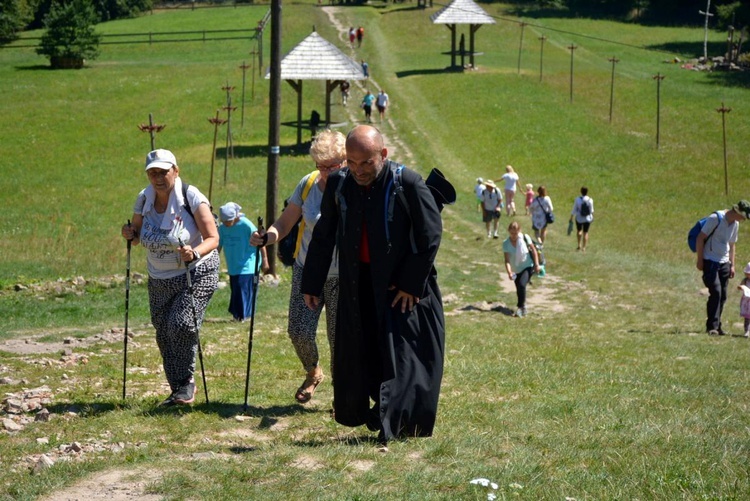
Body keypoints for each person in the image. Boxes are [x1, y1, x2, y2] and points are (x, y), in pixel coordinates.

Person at [301, 125, 445, 445]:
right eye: (351, 163)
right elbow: (325, 235)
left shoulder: (406, 183)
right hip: (359, 282)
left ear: (383, 154)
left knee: (400, 356)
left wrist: (411, 284)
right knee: (364, 350)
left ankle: (398, 425)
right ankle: (371, 413)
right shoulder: (339, 184)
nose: (358, 170)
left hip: (402, 287)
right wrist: (312, 281)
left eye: (365, 162)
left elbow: (430, 235)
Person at [249, 130, 345, 404]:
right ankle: (313, 372)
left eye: (332, 166)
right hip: (307, 270)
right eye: (320, 165)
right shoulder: (309, 183)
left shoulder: (354, 186)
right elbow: (285, 222)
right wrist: (267, 237)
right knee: (299, 331)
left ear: (346, 160)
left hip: (343, 275)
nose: (325, 172)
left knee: (340, 341)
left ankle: (343, 397)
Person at [120, 149, 219, 406]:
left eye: (163, 172)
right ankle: (179, 390)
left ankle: (187, 382)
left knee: (182, 324)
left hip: (196, 271)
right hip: (159, 277)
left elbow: (213, 238)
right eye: (152, 173)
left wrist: (194, 252)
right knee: (164, 332)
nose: (158, 177)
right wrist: (129, 233)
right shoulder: (144, 199)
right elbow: (138, 233)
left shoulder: (191, 196)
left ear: (175, 170)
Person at [696, 200, 750, 336]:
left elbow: (732, 245)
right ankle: (712, 327)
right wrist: (700, 259)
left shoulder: (735, 224)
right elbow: (700, 238)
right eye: (743, 217)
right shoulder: (716, 218)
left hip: (724, 262)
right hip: (710, 261)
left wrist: (732, 264)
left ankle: (717, 326)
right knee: (716, 291)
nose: (743, 220)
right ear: (737, 212)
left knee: (723, 295)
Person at [217, 202, 269, 322]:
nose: (226, 223)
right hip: (233, 265)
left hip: (248, 264)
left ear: (235, 217)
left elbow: (260, 242)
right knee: (236, 290)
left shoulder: (246, 224)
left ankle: (243, 316)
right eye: (224, 221)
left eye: (228, 221)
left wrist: (265, 260)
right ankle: (238, 315)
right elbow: (218, 246)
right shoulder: (222, 228)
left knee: (243, 289)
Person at [503, 221, 541, 318]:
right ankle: (521, 306)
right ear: (509, 231)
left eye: (515, 233)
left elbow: (534, 251)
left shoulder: (525, 238)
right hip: (516, 269)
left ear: (519, 231)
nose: (514, 235)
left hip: (528, 266)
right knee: (519, 288)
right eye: (512, 233)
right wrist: (509, 272)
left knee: (522, 284)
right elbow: (507, 260)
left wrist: (536, 264)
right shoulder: (506, 243)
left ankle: (521, 307)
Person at [570, 186, 594, 252]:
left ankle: (579, 245)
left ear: (581, 192)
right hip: (587, 218)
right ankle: (584, 247)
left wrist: (571, 217)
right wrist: (592, 217)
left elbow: (574, 209)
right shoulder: (590, 200)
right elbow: (591, 210)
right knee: (585, 232)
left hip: (579, 218)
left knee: (579, 231)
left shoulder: (577, 199)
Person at [737, 262, 750, 338]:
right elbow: (740, 286)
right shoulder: (745, 280)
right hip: (747, 302)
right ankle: (747, 331)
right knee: (747, 317)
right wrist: (741, 287)